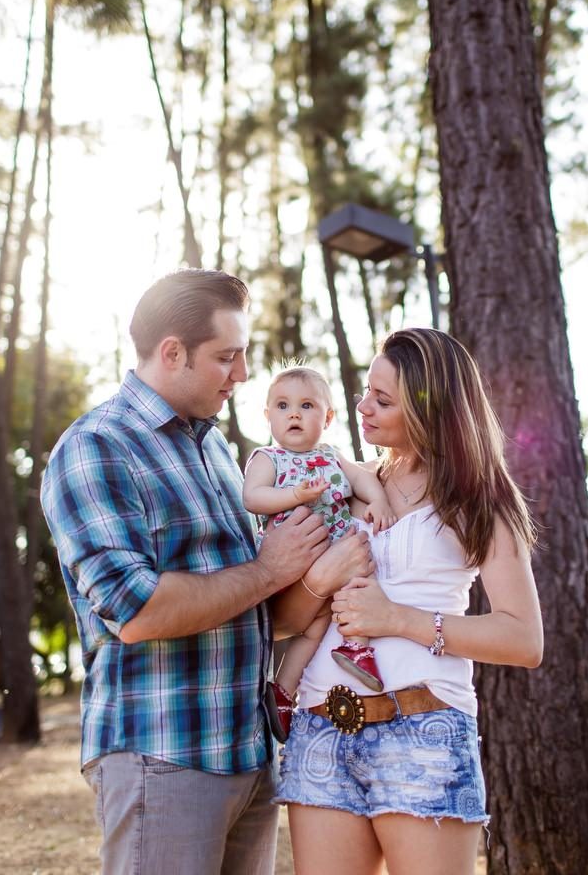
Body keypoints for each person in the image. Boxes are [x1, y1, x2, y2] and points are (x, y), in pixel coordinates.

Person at [40, 269, 373, 875]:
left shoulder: (218, 453)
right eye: (227, 356)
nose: (242, 374)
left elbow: (250, 611)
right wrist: (272, 570)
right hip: (164, 757)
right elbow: (136, 612)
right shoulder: (97, 446)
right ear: (173, 352)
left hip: (249, 759)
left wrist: (323, 577)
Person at [271, 328, 544, 875]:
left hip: (422, 728)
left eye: (382, 399)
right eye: (365, 391)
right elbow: (282, 623)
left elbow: (523, 639)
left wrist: (397, 618)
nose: (361, 406)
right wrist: (321, 581)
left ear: (430, 410)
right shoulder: (340, 485)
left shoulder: (478, 499)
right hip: (321, 726)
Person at [243, 366, 396, 741]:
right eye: (282, 406)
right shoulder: (269, 458)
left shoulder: (332, 455)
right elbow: (252, 497)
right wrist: (295, 495)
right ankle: (349, 651)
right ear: (268, 416)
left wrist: (377, 500)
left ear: (327, 418)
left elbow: (362, 478)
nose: (293, 413)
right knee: (324, 611)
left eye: (306, 405)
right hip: (292, 562)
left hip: (338, 558)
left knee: (322, 623)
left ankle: (285, 688)